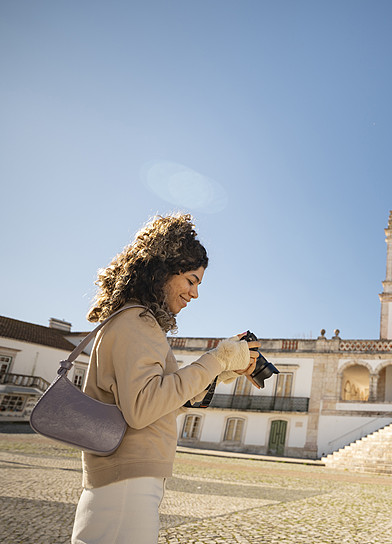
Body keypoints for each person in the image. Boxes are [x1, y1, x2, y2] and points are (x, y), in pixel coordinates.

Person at [72, 213, 259, 544]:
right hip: (127, 481)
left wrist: (222, 369)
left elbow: (156, 400)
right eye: (191, 280)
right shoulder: (137, 322)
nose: (195, 294)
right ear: (163, 272)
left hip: (124, 477)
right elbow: (143, 408)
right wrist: (216, 359)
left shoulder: (135, 321)